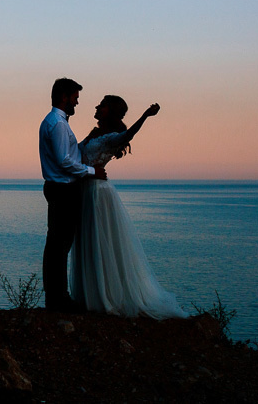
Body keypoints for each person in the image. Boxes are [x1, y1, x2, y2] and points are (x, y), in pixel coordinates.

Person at [70, 95, 188, 319]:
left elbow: (128, 135)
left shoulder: (112, 137)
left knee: (101, 243)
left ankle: (106, 297)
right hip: (85, 191)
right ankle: (91, 296)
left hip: (98, 193)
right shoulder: (94, 133)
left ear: (111, 111)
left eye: (102, 105)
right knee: (89, 242)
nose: (97, 106)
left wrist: (145, 116)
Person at [39, 78, 106, 311]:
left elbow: (70, 153)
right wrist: (93, 172)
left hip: (60, 188)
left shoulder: (56, 122)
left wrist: (88, 140)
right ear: (64, 97)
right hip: (63, 189)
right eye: (75, 98)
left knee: (58, 244)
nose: (77, 103)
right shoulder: (58, 124)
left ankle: (56, 297)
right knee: (59, 246)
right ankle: (58, 299)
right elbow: (64, 160)